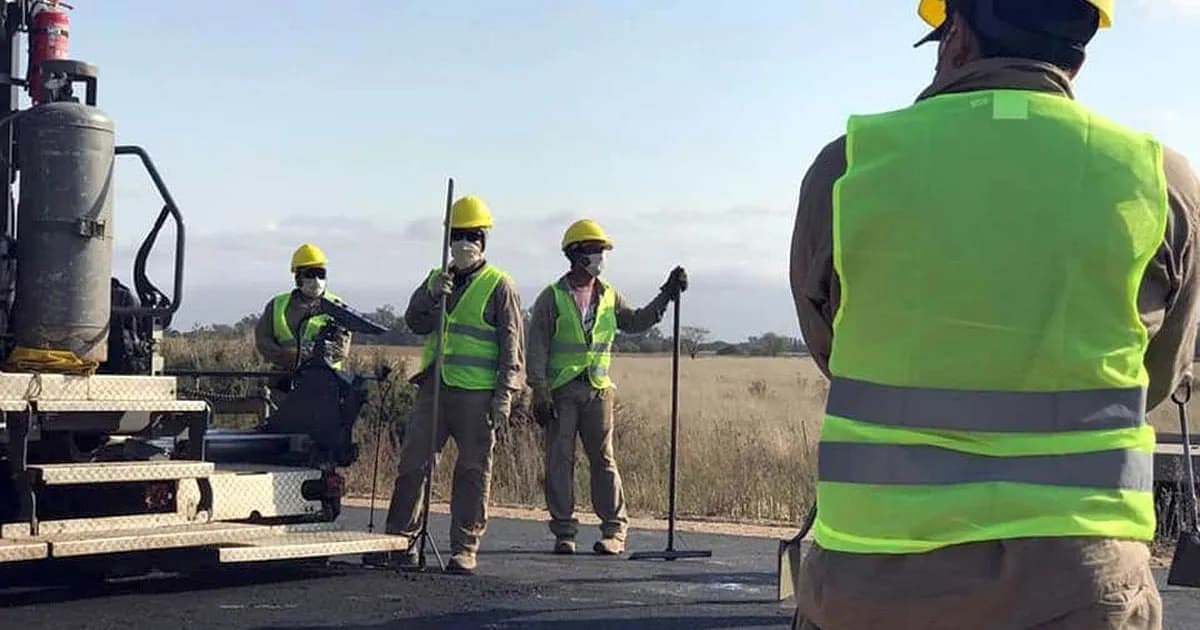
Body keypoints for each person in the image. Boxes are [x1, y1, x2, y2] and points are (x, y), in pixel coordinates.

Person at [788, 1, 1200, 628]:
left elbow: (831, 350)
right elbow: (1158, 379)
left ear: (957, 35)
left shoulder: (848, 166)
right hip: (1078, 585)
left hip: (870, 583)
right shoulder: (1162, 181)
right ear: (1079, 47)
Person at [380, 194, 524, 575]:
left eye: (472, 236)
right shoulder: (435, 279)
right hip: (435, 389)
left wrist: (504, 396)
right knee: (413, 465)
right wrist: (431, 295)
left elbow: (512, 346)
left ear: (484, 241)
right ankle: (400, 541)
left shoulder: (499, 285)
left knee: (473, 471)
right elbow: (414, 321)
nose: (464, 243)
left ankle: (465, 546)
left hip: (477, 396)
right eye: (457, 236)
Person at [527, 218, 687, 555]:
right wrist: (538, 390)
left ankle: (614, 531)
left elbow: (637, 321)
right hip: (562, 391)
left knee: (603, 460)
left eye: (602, 250)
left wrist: (666, 295)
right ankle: (564, 531)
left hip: (598, 391)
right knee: (560, 461)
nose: (600, 256)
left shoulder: (609, 295)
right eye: (594, 250)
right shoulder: (552, 298)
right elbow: (537, 345)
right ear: (575, 254)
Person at [254, 243, 351, 373]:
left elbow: (341, 350)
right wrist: (286, 357)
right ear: (298, 277)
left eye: (321, 274)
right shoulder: (277, 304)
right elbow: (263, 340)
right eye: (310, 274)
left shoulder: (338, 306)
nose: (316, 281)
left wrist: (308, 359)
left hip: (326, 382)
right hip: (284, 381)